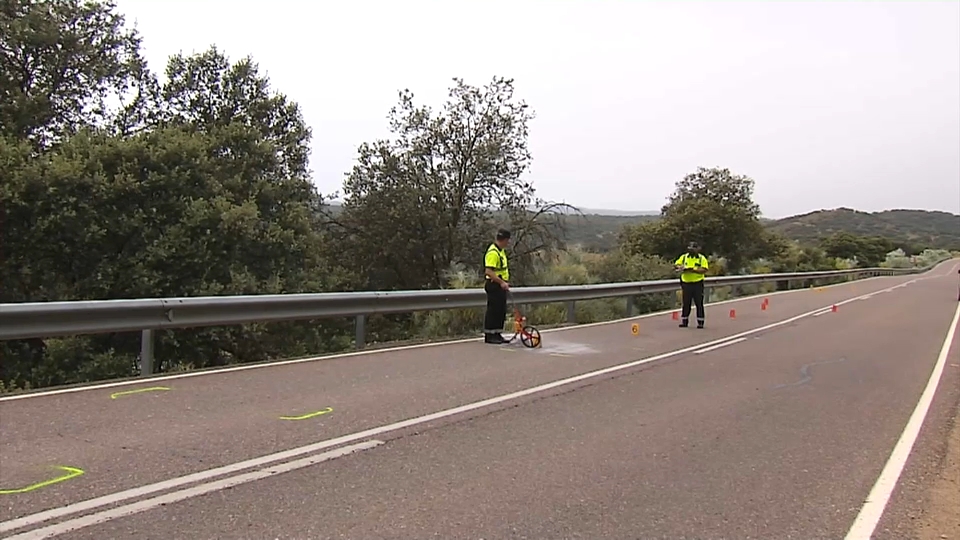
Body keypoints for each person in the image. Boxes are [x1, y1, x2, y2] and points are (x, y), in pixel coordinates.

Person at [483, 229, 511, 344]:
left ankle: (497, 333)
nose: (508, 243)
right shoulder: (493, 252)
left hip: (500, 285)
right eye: (507, 241)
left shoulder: (501, 251)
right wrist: (501, 282)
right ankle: (489, 335)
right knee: (493, 311)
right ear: (504, 240)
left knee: (500, 310)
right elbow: (489, 271)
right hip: (494, 284)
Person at [675, 241, 709, 329]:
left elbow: (704, 269)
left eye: (693, 248)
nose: (691, 250)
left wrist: (692, 269)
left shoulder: (701, 258)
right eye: (690, 248)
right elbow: (676, 265)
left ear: (698, 249)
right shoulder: (684, 257)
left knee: (699, 303)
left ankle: (700, 322)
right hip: (686, 283)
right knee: (686, 303)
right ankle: (684, 321)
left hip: (698, 283)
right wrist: (680, 267)